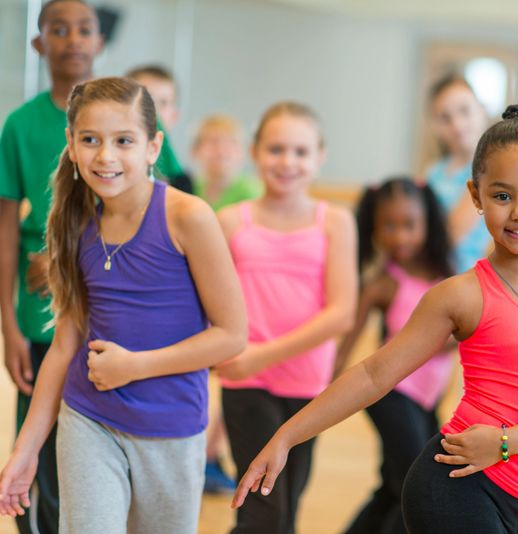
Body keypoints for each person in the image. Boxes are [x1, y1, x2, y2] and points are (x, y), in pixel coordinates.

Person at [232, 105, 518, 534]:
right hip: (454, 485)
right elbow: (374, 374)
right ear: (476, 197)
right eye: (502, 196)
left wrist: (507, 443)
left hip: (514, 493)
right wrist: (287, 436)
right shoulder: (460, 295)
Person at [0, 77, 247, 533]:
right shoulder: (74, 225)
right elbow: (63, 347)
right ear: (71, 145)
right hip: (88, 419)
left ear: (153, 147)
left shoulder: (187, 217)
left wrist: (135, 366)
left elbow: (232, 336)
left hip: (172, 430)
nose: (105, 155)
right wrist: (25, 449)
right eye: (90, 139)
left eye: (124, 141)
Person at [214, 102, 357, 534]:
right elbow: (211, 302)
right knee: (263, 508)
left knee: (288, 506)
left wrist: (264, 355)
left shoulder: (335, 221)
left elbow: (341, 313)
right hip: (246, 381)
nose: (287, 162)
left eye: (300, 151)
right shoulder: (228, 222)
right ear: (256, 152)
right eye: (276, 149)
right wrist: (242, 357)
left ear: (320, 156)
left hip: (308, 385)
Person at [0, 2, 104, 532]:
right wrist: (9, 326)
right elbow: (3, 230)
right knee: (37, 438)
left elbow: (165, 198)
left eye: (84, 28)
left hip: (108, 309)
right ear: (40, 44)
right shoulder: (19, 126)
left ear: (100, 42)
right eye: (57, 29)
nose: (71, 39)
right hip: (38, 308)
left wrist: (72, 261)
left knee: (93, 442)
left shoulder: (123, 116)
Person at [335, 177, 455, 534]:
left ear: (427, 224)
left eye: (409, 226)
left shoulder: (446, 278)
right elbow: (345, 339)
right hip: (391, 394)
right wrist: (321, 393)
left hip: (427, 400)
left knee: (393, 487)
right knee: (416, 486)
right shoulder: (383, 283)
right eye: (389, 226)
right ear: (373, 226)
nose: (400, 236)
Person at [188, 113, 262, 494]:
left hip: (238, 294)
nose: (219, 152)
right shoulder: (191, 189)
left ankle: (210, 452)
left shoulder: (249, 192)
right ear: (197, 151)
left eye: (227, 144)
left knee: (232, 372)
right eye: (211, 143)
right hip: (196, 294)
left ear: (241, 153)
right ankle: (203, 452)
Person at [425, 74, 492, 273]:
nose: (457, 125)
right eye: (445, 118)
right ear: (436, 126)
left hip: (474, 278)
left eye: (465, 111)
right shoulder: (434, 172)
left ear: (481, 110)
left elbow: (452, 233)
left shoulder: (491, 169)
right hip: (436, 271)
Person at [126, 64, 193, 193]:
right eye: (145, 100)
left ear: (174, 116)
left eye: (163, 103)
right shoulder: (112, 168)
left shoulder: (181, 181)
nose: (153, 110)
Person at [192, 114, 262, 211]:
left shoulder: (252, 192)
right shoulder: (191, 188)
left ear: (243, 151)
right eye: (213, 142)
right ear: (195, 150)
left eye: (231, 142)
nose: (221, 151)